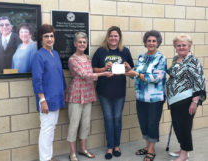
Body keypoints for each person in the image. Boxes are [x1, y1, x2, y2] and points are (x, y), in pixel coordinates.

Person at [66, 32, 113, 161]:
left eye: (84, 42)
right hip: (76, 94)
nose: (82, 44)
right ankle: (72, 153)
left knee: (86, 124)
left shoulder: (88, 58)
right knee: (74, 124)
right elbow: (85, 75)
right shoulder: (72, 60)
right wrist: (104, 73)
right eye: (80, 42)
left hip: (88, 93)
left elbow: (92, 72)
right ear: (75, 43)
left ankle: (82, 149)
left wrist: (105, 67)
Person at [92, 26, 134, 160]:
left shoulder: (125, 51)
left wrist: (128, 67)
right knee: (108, 119)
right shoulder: (100, 51)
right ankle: (110, 147)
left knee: (117, 118)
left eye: (116, 36)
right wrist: (105, 68)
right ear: (107, 37)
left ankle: (117, 146)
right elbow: (93, 69)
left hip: (119, 91)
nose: (113, 38)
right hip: (104, 91)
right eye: (111, 35)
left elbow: (131, 71)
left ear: (119, 37)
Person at [125, 30, 167, 161]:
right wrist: (128, 70)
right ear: (145, 42)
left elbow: (156, 77)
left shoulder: (161, 58)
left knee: (152, 124)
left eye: (154, 41)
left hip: (155, 98)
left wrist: (136, 75)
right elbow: (136, 74)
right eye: (149, 40)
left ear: (158, 43)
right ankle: (148, 146)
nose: (151, 43)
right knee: (143, 123)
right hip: (141, 96)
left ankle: (151, 150)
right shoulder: (141, 57)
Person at [166, 34, 206, 161]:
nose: (181, 47)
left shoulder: (193, 60)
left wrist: (194, 102)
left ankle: (184, 154)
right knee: (178, 126)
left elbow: (199, 81)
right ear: (175, 47)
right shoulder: (175, 58)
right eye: (179, 45)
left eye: (184, 45)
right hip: (174, 99)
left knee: (184, 127)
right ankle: (183, 148)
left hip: (187, 99)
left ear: (189, 46)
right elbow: (173, 74)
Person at [32, 24, 66, 161]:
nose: (50, 39)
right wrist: (42, 100)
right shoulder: (38, 56)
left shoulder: (55, 54)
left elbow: (60, 75)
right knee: (46, 130)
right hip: (46, 100)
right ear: (41, 38)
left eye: (52, 36)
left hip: (57, 97)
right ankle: (45, 159)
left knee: (51, 129)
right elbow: (37, 80)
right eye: (46, 36)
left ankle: (48, 157)